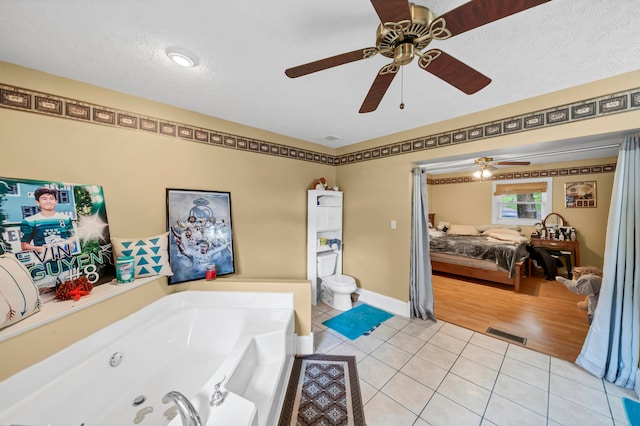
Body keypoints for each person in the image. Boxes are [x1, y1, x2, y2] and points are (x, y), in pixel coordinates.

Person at [20, 187, 76, 254]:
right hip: (45, 261)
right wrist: (41, 249)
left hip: (66, 260)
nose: (48, 201)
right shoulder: (29, 221)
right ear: (37, 202)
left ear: (56, 202)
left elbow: (72, 236)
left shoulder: (66, 218)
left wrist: (69, 242)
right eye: (44, 199)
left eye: (51, 198)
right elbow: (24, 246)